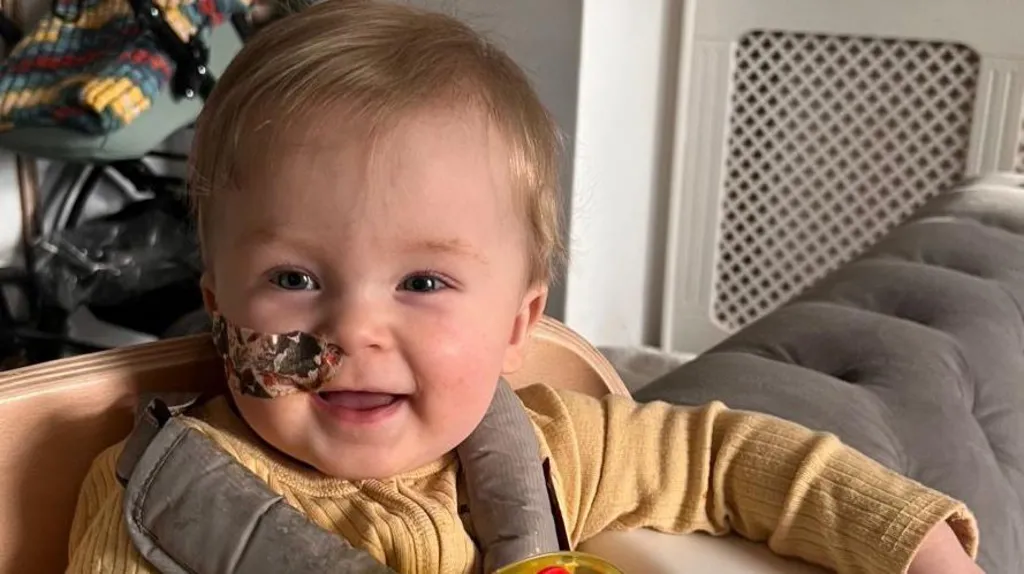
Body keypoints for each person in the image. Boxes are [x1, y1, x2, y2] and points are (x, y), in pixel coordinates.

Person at [66, 1, 982, 573]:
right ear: (220, 305)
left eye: (422, 279)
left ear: (520, 322)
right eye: (295, 278)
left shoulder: (554, 448)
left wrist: (915, 546)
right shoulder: (156, 503)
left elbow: (730, 460)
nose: (355, 329)